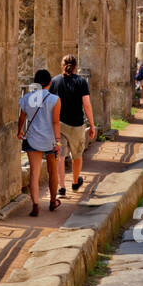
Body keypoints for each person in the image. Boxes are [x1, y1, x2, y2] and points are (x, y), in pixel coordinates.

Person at [50, 54, 96, 197]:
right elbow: (87, 105)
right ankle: (76, 182)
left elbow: (50, 104)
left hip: (60, 124)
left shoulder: (54, 81)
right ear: (76, 66)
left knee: (60, 156)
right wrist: (92, 124)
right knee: (77, 155)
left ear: (62, 65)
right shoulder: (81, 82)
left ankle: (61, 187)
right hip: (77, 124)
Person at [17, 70, 61, 214]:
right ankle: (53, 201)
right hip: (49, 139)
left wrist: (20, 131)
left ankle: (35, 205)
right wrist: (58, 141)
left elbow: (22, 118)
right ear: (50, 83)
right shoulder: (54, 99)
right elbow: (55, 122)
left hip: (32, 138)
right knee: (52, 171)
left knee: (34, 173)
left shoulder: (27, 98)